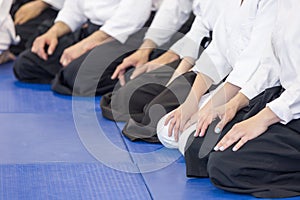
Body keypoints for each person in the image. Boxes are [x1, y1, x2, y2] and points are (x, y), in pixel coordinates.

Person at [181, 0, 300, 198]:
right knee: (199, 150)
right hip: (282, 97)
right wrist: (235, 103)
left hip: (292, 104)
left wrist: (260, 120)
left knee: (226, 167)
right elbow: (270, 65)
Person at [157, 0, 278, 150]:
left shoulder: (273, 3)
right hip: (231, 82)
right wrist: (190, 104)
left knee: (190, 143)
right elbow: (217, 52)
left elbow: (249, 66)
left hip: (255, 90)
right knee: (166, 130)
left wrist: (204, 112)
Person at [100, 0, 225, 143]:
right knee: (123, 99)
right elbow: (199, 26)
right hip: (200, 57)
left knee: (160, 120)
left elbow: (231, 54)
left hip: (228, 71)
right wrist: (175, 71)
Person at [51, 0, 195, 96]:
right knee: (70, 73)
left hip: (150, 27)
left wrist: (172, 55)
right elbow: (175, 7)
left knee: (129, 95)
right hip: (163, 31)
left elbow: (132, 15)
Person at [13, 0, 160, 87]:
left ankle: (129, 76)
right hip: (92, 28)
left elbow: (131, 18)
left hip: (125, 34)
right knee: (26, 65)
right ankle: (70, 73)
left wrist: (84, 45)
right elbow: (74, 9)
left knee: (76, 75)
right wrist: (53, 32)